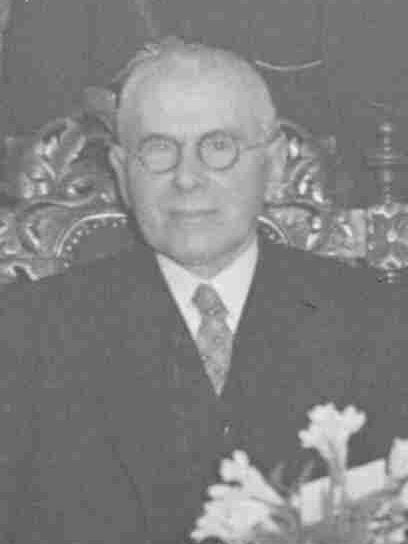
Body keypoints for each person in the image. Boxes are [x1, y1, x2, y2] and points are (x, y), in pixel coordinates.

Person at [0, 39, 406, 544]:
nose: (187, 178)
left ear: (274, 164)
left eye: (218, 147)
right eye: (158, 149)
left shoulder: (378, 320)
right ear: (122, 173)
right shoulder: (26, 333)